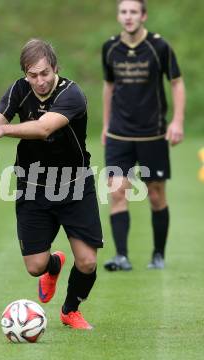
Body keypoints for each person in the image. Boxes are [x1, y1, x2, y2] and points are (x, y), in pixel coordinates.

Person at [0, 39, 103, 330]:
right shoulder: (20, 89)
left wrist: (2, 129)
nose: (39, 81)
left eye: (44, 73)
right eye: (33, 75)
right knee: (35, 267)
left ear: (55, 68)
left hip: (74, 185)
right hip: (32, 186)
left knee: (87, 262)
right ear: (25, 74)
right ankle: (53, 265)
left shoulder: (72, 93)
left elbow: (43, 128)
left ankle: (70, 310)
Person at [102, 0, 186, 271]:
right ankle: (121, 256)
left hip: (152, 136)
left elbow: (176, 83)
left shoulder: (159, 47)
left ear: (143, 15)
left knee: (156, 195)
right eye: (124, 12)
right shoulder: (110, 47)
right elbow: (108, 87)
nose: (128, 17)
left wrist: (177, 121)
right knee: (117, 192)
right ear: (119, 16)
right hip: (119, 135)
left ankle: (158, 255)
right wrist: (105, 124)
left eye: (133, 12)